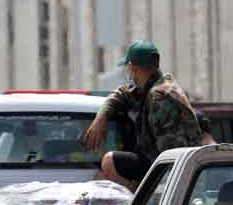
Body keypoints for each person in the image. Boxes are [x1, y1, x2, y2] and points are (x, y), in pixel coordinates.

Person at [84, 40, 202, 190]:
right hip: (166, 161)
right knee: (100, 179)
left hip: (176, 168)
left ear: (133, 69)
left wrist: (155, 193)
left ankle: (139, 200)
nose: (128, 73)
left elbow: (171, 153)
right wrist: (101, 118)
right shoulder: (154, 85)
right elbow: (121, 94)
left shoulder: (160, 98)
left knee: (108, 161)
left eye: (128, 69)